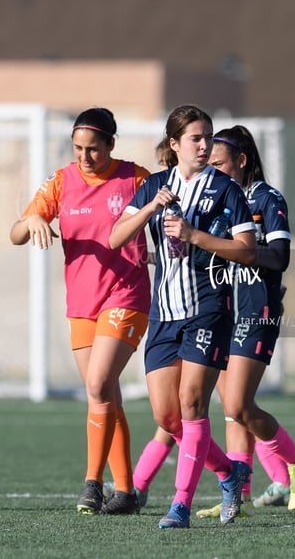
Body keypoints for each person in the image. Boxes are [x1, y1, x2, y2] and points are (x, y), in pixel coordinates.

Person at [109, 104, 257, 529]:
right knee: (166, 418)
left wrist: (195, 236)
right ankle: (229, 472)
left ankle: (181, 506)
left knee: (193, 404)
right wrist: (150, 208)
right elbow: (116, 237)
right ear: (173, 145)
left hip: (208, 310)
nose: (204, 145)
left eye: (207, 136)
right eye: (195, 138)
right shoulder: (155, 185)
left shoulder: (226, 189)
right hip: (164, 314)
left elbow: (247, 249)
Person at [9, 107, 151, 516]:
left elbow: (164, 219)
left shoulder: (135, 179)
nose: (85, 157)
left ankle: (92, 484)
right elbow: (16, 233)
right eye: (78, 149)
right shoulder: (61, 181)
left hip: (126, 296)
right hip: (82, 304)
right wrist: (33, 217)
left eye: (93, 149)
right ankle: (125, 494)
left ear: (111, 144)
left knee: (97, 384)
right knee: (105, 393)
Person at [195, 125, 295, 519]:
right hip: (224, 310)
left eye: (218, 163)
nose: (211, 171)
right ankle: (238, 495)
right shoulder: (220, 201)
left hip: (256, 308)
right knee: (229, 410)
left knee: (239, 404)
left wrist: (238, 251)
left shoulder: (266, 198)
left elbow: (279, 258)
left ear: (242, 160)